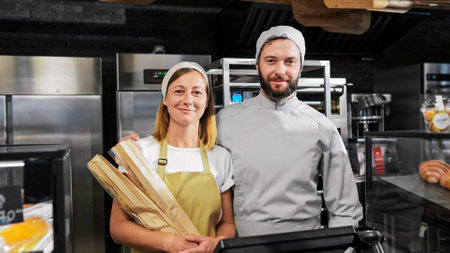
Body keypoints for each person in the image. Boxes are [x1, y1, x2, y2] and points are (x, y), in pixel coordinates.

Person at [216, 25, 363, 236]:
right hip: (243, 243)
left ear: (300, 67)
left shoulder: (322, 127)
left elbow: (344, 207)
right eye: (271, 61)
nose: (280, 70)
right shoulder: (224, 122)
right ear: (258, 65)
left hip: (304, 243)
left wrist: (339, 248)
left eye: (290, 61)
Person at [110, 62, 236, 253]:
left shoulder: (221, 157)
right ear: (165, 99)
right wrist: (169, 243)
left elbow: (227, 223)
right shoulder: (140, 152)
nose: (188, 100)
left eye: (197, 92)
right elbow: (118, 228)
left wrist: (217, 242)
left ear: (207, 102)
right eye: (179, 91)